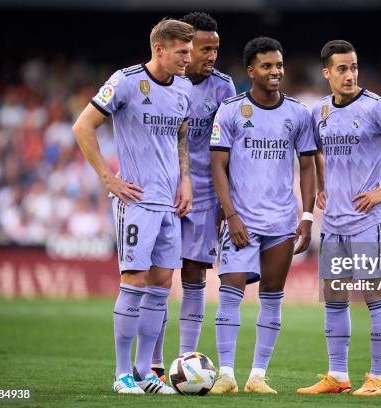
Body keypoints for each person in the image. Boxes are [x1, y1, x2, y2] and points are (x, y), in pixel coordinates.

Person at [296, 40, 381, 397]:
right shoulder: (319, 110)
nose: (350, 74)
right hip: (334, 223)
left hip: (368, 222)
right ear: (326, 73)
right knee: (335, 297)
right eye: (342, 69)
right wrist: (323, 184)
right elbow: (316, 152)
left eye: (353, 67)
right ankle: (337, 375)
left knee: (375, 295)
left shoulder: (376, 107)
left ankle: (378, 379)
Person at [72, 18, 195, 395]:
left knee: (161, 285)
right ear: (159, 49)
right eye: (182, 52)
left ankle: (145, 372)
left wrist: (185, 178)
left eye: (190, 52)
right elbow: (82, 126)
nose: (188, 59)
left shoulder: (184, 89)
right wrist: (109, 179)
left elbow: (181, 136)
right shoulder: (125, 81)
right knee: (135, 282)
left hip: (169, 205)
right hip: (137, 202)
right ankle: (122, 373)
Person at [209, 37, 316, 394]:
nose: (276, 72)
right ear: (251, 70)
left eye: (280, 65)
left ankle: (257, 376)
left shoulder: (299, 114)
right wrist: (231, 215)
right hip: (242, 221)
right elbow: (218, 166)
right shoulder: (230, 110)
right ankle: (226, 373)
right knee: (230, 290)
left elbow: (307, 167)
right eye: (267, 66)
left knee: (273, 294)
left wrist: (307, 215)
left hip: (282, 222)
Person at [149, 11, 236, 382]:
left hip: (204, 195)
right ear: (186, 47)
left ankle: (186, 361)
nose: (210, 55)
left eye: (215, 48)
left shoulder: (224, 88)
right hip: (163, 190)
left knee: (195, 273)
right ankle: (152, 362)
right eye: (204, 48)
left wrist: (226, 203)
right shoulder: (166, 83)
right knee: (159, 276)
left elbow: (231, 150)